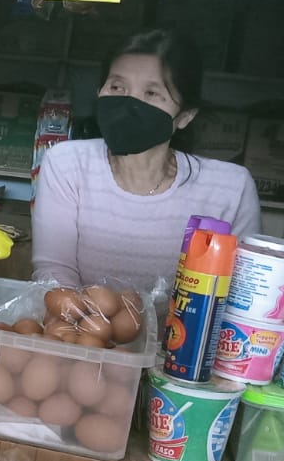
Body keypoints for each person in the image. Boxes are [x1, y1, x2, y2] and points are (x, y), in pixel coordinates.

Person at [31, 30, 260, 294]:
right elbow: (54, 271)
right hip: (82, 331)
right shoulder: (67, 164)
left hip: (185, 334)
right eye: (117, 87)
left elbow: (242, 293)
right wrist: (89, 326)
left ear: (185, 116)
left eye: (152, 93)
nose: (129, 104)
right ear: (100, 92)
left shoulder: (230, 188)